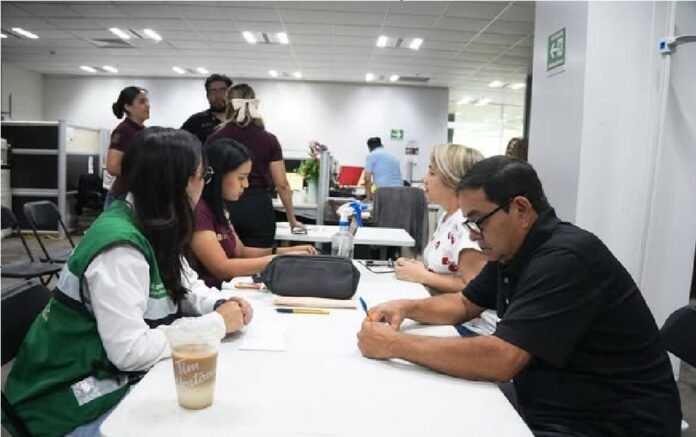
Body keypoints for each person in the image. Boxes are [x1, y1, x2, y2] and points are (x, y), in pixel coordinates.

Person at [357, 156, 682, 437]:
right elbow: (465, 302)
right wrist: (405, 307)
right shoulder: (512, 250)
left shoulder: (565, 259)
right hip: (552, 403)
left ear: (521, 210)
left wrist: (395, 345)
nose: (473, 235)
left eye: (478, 221)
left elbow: (501, 360)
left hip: (610, 423)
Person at [3, 128, 253, 437]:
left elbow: (187, 283)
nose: (205, 184)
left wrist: (220, 304)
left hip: (110, 378)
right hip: (68, 404)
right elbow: (130, 351)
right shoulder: (119, 247)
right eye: (205, 175)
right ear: (180, 182)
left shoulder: (153, 221)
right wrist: (215, 324)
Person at [393, 143, 495, 336]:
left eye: (432, 173)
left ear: (453, 181)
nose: (424, 179)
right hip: (448, 316)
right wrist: (420, 269)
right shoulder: (447, 217)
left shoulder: (465, 224)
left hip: (471, 327)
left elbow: (474, 290)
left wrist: (423, 276)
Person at [191, 138, 317, 288]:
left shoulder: (219, 208)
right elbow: (222, 268)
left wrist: (287, 251)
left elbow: (241, 252)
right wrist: (280, 260)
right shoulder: (199, 211)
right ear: (219, 176)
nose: (246, 184)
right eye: (241, 178)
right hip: (210, 295)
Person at [205, 83, 304, 249]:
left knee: (225, 257)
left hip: (224, 206)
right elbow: (282, 184)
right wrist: (292, 219)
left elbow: (208, 177)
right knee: (262, 259)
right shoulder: (268, 139)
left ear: (229, 104)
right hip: (258, 208)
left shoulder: (215, 138)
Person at [104, 86, 149, 209]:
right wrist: (143, 172)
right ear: (127, 106)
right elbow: (112, 167)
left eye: (147, 101)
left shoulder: (142, 131)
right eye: (142, 102)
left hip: (136, 194)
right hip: (122, 197)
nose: (147, 105)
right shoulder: (123, 131)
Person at [181, 73, 233, 144]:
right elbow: (179, 144)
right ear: (207, 95)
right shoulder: (196, 121)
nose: (218, 95)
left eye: (222, 90)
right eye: (213, 91)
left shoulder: (242, 120)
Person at [364, 137, 403, 201]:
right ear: (381, 145)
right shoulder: (393, 156)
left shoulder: (371, 155)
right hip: (400, 191)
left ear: (369, 147)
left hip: (384, 192)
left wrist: (368, 197)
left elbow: (367, 179)